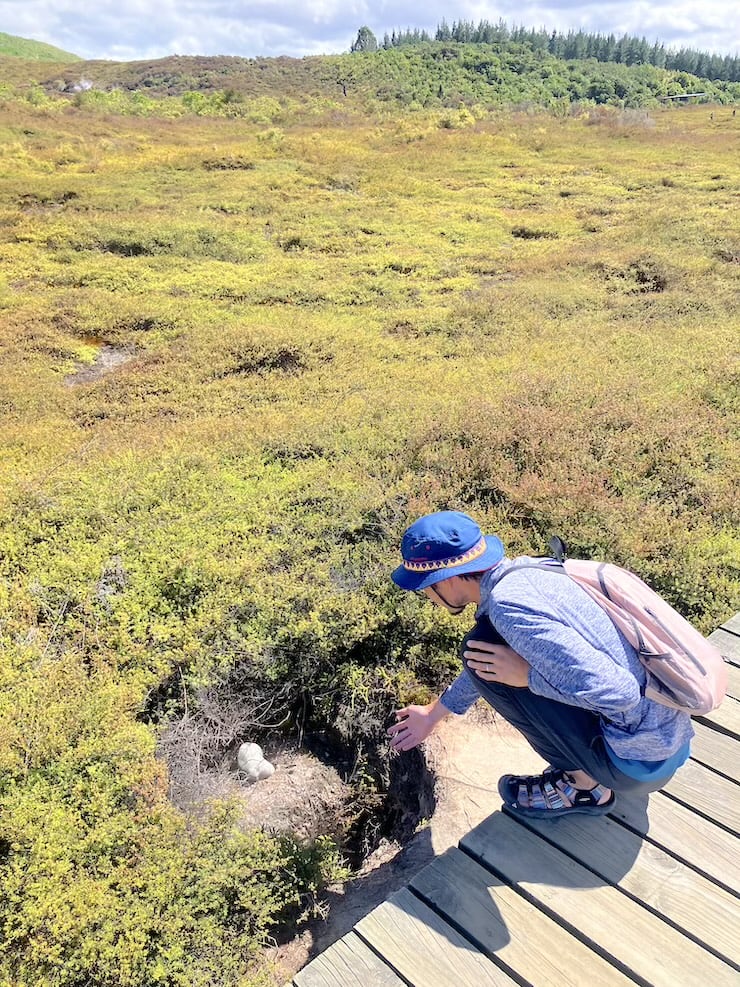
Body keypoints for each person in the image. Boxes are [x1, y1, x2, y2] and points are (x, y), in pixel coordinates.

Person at [386, 510, 693, 818]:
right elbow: (487, 665)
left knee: (480, 649)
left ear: (448, 581)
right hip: (670, 734)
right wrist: (433, 714)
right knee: (487, 652)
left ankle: (584, 789)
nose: (427, 595)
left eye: (425, 586)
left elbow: (621, 693)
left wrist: (528, 677)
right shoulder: (533, 570)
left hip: (637, 765)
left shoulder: (508, 608)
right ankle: (586, 770)